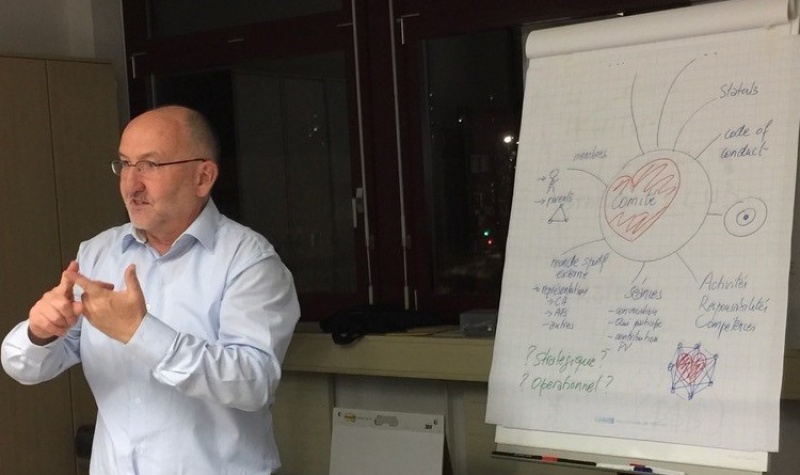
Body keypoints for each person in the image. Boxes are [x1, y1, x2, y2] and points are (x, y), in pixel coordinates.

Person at [1, 105, 300, 474]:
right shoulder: (98, 253)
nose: (132, 184)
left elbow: (253, 382)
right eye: (125, 164)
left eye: (150, 165)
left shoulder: (248, 261)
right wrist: (41, 332)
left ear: (203, 177)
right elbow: (24, 367)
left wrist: (142, 333)